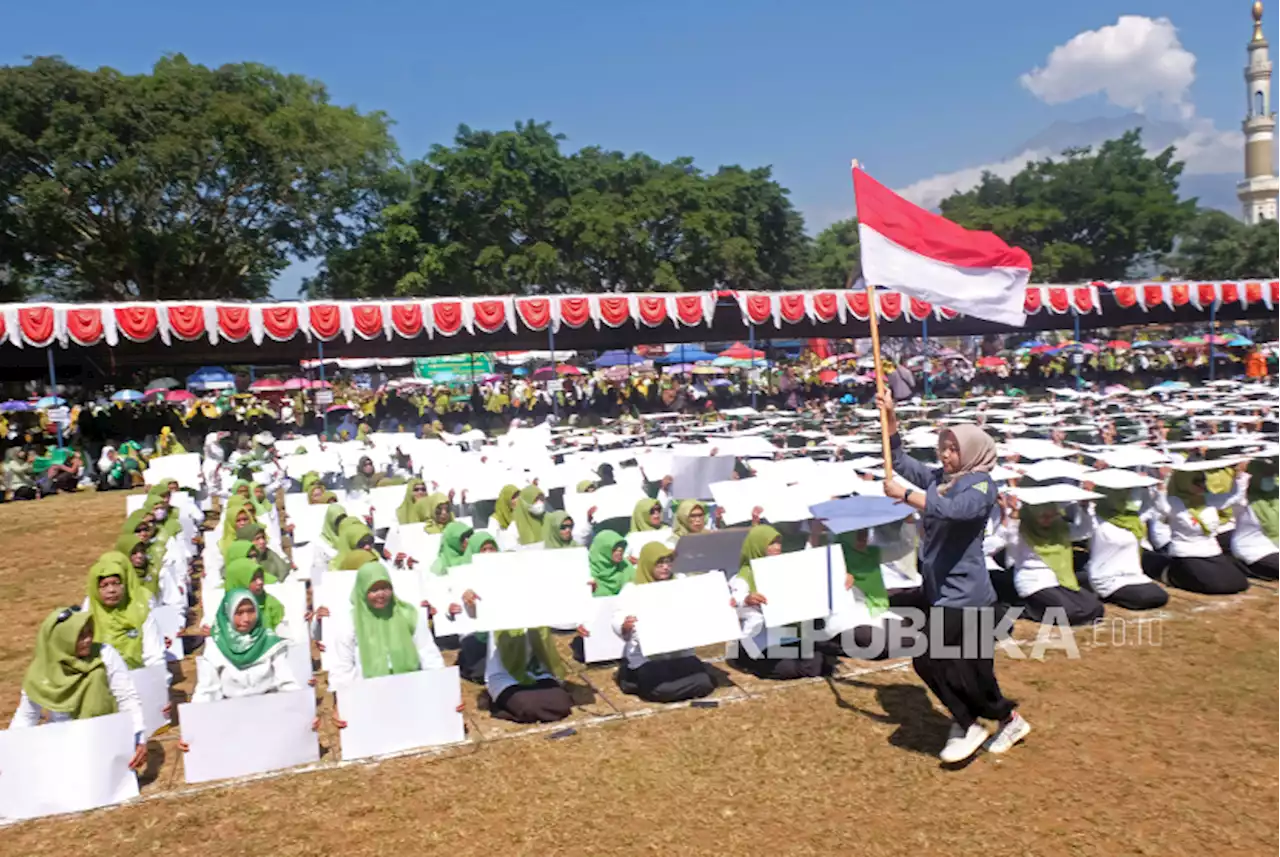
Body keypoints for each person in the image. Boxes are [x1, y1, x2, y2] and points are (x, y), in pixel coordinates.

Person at [877, 390, 1028, 763]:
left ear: (973, 452)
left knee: (936, 660)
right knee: (965, 667)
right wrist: (891, 416)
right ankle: (1002, 719)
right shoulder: (940, 479)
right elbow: (897, 459)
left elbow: (955, 512)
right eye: (942, 448)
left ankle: (970, 722)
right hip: (941, 591)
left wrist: (907, 496)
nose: (945, 456)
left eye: (952, 449)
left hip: (967, 594)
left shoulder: (979, 485)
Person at [10, 606, 148, 771]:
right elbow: (26, 718)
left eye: (89, 632)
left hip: (104, 740)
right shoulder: (41, 671)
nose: (88, 639)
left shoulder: (105, 655)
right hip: (61, 748)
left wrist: (139, 738)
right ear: (62, 639)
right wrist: (8, 753)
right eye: (80, 636)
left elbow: (127, 697)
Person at [612, 543, 717, 703]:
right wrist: (625, 625)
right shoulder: (632, 589)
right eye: (659, 563)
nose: (665, 568)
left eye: (668, 563)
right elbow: (618, 617)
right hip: (648, 659)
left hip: (679, 653)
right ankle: (633, 679)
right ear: (648, 564)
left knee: (705, 683)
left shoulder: (680, 582)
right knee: (661, 690)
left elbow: (699, 604)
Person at [731, 525, 828, 679]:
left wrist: (814, 535)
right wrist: (747, 600)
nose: (777, 547)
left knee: (817, 662)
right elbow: (734, 605)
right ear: (758, 545)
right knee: (791, 668)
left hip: (786, 634)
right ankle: (744, 657)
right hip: (759, 639)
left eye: (778, 542)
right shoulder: (742, 577)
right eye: (771, 543)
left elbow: (808, 565)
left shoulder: (783, 569)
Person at [328, 562, 444, 688]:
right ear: (361, 591)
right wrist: (344, 699)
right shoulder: (350, 622)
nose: (381, 594)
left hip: (411, 688)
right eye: (373, 589)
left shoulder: (408, 614)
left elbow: (428, 653)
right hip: (367, 694)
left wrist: (439, 686)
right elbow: (342, 667)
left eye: (385, 588)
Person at [1000, 501, 1106, 626]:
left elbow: (1084, 532)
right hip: (1034, 582)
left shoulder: (1059, 529)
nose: (1048, 520)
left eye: (1052, 516)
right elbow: (1008, 544)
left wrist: (1084, 508)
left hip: (1059, 579)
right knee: (1067, 613)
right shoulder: (1021, 530)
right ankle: (1026, 609)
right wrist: (1012, 518)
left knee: (1095, 607)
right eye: (1043, 516)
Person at [189, 589, 300, 703]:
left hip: (270, 709)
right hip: (230, 713)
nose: (246, 619)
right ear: (228, 614)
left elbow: (287, 683)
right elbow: (207, 692)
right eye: (239, 613)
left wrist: (302, 708)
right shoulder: (215, 647)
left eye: (251, 611)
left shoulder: (269, 643)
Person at [1152, 469, 1250, 594]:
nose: (1202, 485)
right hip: (1187, 552)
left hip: (1211, 550)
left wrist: (1240, 476)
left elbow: (1235, 497)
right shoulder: (1173, 503)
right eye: (1197, 482)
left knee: (1239, 583)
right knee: (1216, 586)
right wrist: (1160, 490)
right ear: (1184, 482)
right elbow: (1160, 505)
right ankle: (1171, 573)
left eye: (1204, 481)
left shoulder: (1208, 499)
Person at [1081, 488, 1170, 610]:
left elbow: (1154, 510)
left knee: (1159, 596)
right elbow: (1079, 532)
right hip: (1106, 576)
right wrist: (1082, 509)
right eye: (1118, 494)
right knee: (1146, 597)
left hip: (1133, 574)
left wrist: (1157, 492)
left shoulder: (1132, 519)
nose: (1124, 498)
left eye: (1126, 494)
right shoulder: (1094, 519)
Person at [86, 553, 165, 669]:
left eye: (116, 583)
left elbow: (154, 656)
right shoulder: (88, 613)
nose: (111, 590)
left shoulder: (141, 611)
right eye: (104, 585)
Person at [484, 626, 574, 723]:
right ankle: (501, 705)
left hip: (535, 672)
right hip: (505, 676)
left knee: (561, 703)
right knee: (528, 707)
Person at [1228, 458, 1280, 580]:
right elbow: (1235, 494)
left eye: (1272, 475)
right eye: (1265, 475)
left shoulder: (1275, 496)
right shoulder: (1243, 500)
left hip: (1275, 546)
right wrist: (1242, 473)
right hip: (1253, 550)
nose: (1270, 479)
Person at [587, 531, 634, 596]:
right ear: (603, 549)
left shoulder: (626, 566)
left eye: (622, 546)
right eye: (614, 548)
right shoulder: (586, 572)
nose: (620, 550)